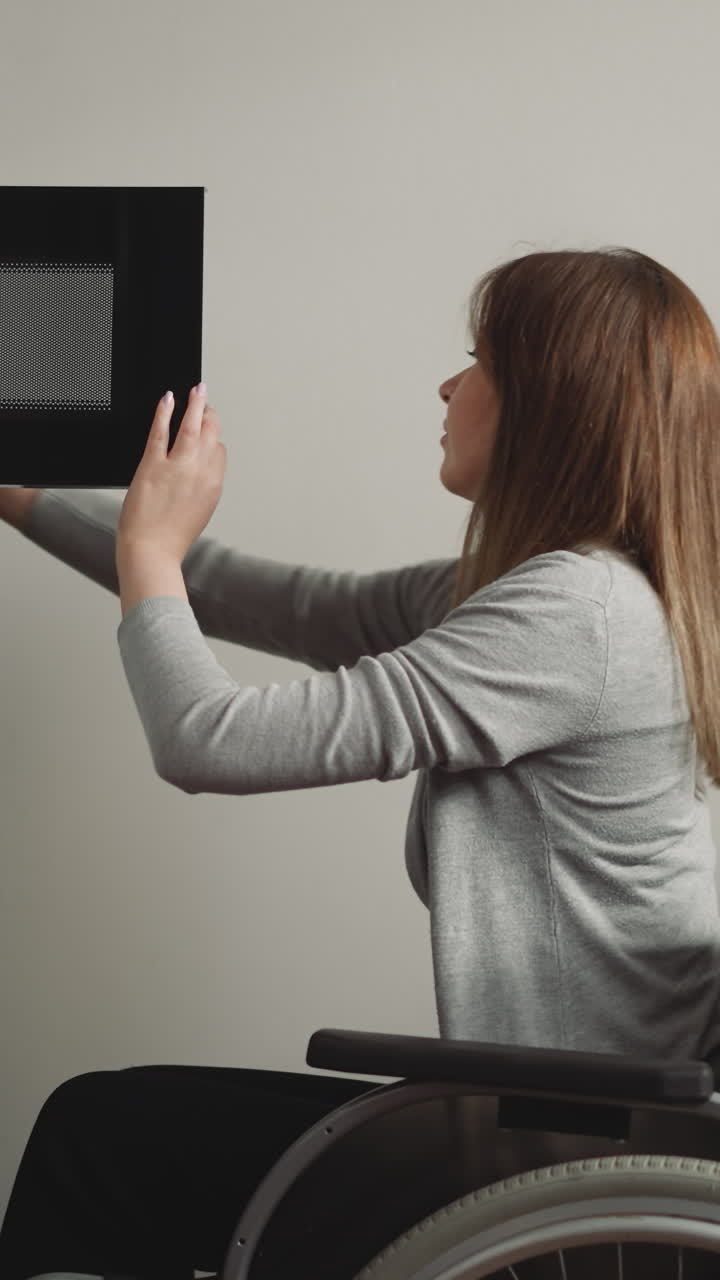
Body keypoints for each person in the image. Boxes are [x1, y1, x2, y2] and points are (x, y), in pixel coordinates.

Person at [2, 245, 720, 1279]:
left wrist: (149, 558)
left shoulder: (576, 615)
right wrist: (24, 499)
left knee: (94, 1136)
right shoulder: (536, 590)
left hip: (562, 1151)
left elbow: (205, 738)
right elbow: (270, 599)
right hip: (545, 1122)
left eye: (477, 360)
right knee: (104, 1117)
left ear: (548, 403)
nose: (447, 383)